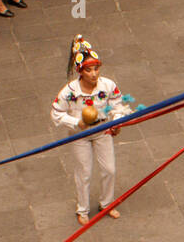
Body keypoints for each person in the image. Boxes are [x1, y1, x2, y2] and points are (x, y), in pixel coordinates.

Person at [51, 36, 130, 223]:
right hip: (80, 135)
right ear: (81, 71)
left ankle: (107, 203)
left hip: (102, 130)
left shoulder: (108, 85)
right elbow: (56, 113)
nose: (94, 74)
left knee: (109, 169)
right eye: (89, 70)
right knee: (84, 172)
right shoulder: (69, 92)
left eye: (96, 69)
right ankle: (82, 209)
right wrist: (76, 123)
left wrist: (116, 122)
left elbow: (118, 105)